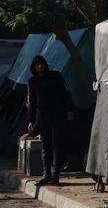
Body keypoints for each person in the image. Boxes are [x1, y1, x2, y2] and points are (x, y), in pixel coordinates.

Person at [27, 55, 74, 185]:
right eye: (37, 65)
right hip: (43, 116)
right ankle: (46, 174)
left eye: (41, 64)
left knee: (57, 145)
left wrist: (69, 109)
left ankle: (55, 174)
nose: (40, 66)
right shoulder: (32, 81)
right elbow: (31, 101)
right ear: (34, 67)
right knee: (45, 145)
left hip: (58, 114)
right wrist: (31, 120)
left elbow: (65, 93)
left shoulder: (55, 76)